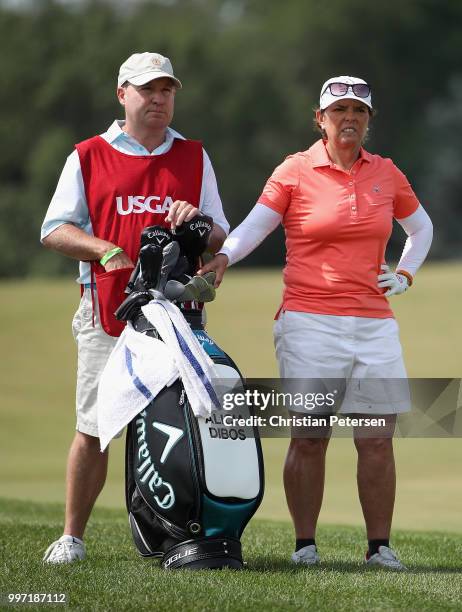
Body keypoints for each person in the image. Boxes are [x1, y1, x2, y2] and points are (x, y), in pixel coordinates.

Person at [198, 76, 433, 570]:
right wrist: (222, 257)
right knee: (310, 435)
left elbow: (421, 227)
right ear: (320, 119)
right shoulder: (295, 170)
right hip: (309, 320)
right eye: (339, 110)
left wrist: (406, 274)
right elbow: (255, 226)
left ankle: (379, 548)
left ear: (369, 121)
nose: (349, 118)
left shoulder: (386, 173)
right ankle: (305, 545)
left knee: (375, 437)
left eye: (359, 111)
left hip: (374, 324)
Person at [41, 52, 229, 564]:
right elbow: (54, 229)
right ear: (122, 93)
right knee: (94, 428)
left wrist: (199, 223)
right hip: (108, 311)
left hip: (177, 317)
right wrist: (102, 248)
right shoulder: (88, 155)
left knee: (180, 426)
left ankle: (181, 533)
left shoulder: (194, 155)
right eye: (148, 90)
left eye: (167, 90)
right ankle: (72, 536)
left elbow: (219, 236)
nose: (159, 99)